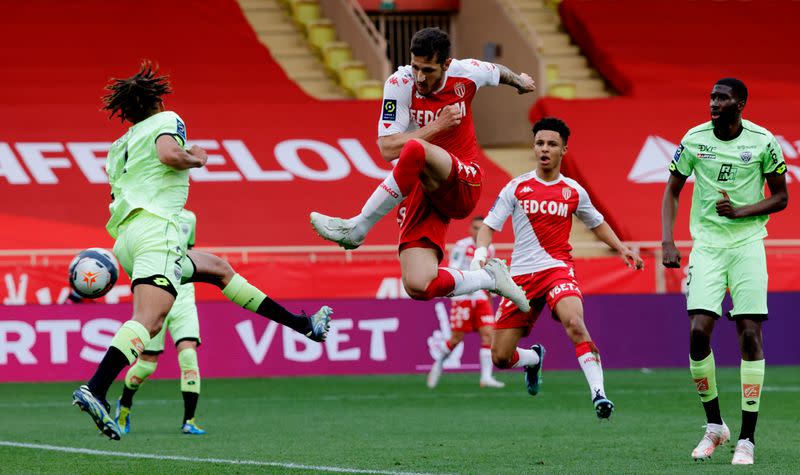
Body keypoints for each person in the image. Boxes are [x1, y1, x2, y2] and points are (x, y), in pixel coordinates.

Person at [72, 61, 333, 440]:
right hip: (156, 230)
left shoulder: (118, 147)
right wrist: (196, 157)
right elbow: (169, 155)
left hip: (129, 237)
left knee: (218, 269)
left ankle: (302, 325)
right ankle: (95, 388)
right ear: (158, 102)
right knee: (148, 320)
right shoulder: (167, 121)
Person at [310, 27, 535, 312]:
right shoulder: (399, 83)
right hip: (426, 188)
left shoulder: (467, 73)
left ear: (445, 64)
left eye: (428, 70)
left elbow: (497, 71)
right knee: (418, 284)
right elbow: (386, 148)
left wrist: (519, 81)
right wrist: (436, 127)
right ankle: (489, 278)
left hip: (464, 181)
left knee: (415, 150)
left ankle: (358, 227)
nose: (419, 77)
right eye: (415, 67)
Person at [473, 117, 644, 419]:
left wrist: (621, 248)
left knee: (576, 324)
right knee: (500, 357)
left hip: (557, 270)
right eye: (540, 143)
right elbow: (487, 227)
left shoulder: (573, 190)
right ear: (534, 146)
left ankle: (599, 395)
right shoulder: (517, 187)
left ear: (564, 149)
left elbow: (597, 222)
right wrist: (482, 253)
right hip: (520, 279)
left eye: (552, 144)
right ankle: (533, 360)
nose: (544, 149)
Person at [661, 78, 788, 465]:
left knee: (749, 333)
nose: (714, 103)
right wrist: (668, 239)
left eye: (722, 97)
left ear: (741, 104)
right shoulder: (694, 139)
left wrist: (742, 211)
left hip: (748, 245)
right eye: (712, 97)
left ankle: (747, 438)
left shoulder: (763, 141)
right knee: (699, 331)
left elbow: (781, 196)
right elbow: (672, 189)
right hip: (708, 247)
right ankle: (715, 426)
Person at [115, 209, 207, 435]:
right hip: (155, 293)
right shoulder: (148, 215)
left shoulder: (190, 218)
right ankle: (124, 405)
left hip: (184, 296)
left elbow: (190, 252)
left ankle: (189, 420)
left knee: (188, 355)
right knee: (147, 365)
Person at [426, 216, 504, 389]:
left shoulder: (490, 248)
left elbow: (490, 274)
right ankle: (438, 363)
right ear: (470, 229)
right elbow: (453, 268)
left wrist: (491, 294)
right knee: (456, 339)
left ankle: (486, 377)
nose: (478, 231)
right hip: (463, 298)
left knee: (488, 335)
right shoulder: (462, 246)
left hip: (481, 296)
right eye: (475, 228)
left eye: (481, 228)